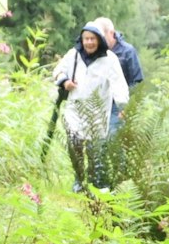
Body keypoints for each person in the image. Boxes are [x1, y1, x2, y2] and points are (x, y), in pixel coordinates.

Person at [51, 23, 130, 192]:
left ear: (99, 40)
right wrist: (65, 82)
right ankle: (79, 181)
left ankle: (95, 183)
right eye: (86, 39)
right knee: (74, 145)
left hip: (98, 112)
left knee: (95, 151)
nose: (89, 43)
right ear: (82, 39)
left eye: (92, 39)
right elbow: (57, 71)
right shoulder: (73, 55)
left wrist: (123, 106)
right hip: (74, 109)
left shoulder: (109, 59)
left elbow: (119, 85)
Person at [93, 16, 144, 86]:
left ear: (111, 33)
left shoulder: (128, 52)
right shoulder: (92, 51)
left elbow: (137, 81)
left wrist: (123, 94)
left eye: (101, 37)